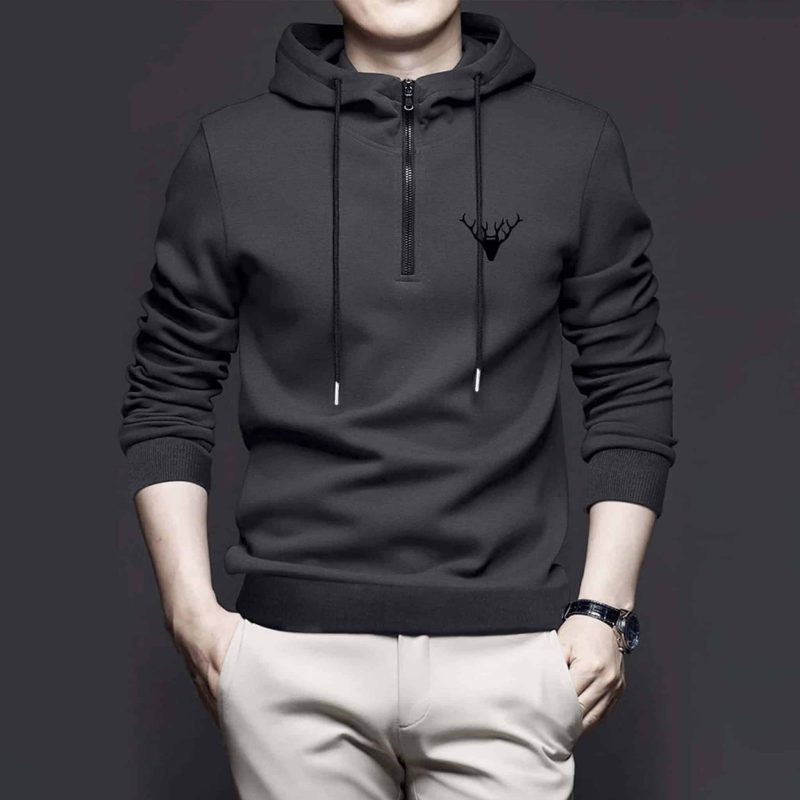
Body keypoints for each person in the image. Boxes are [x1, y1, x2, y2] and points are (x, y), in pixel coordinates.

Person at [119, 2, 678, 797]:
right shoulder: (231, 152)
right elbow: (168, 386)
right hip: (291, 661)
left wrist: (605, 611)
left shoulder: (572, 145)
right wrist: (191, 615)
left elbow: (630, 382)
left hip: (509, 659)